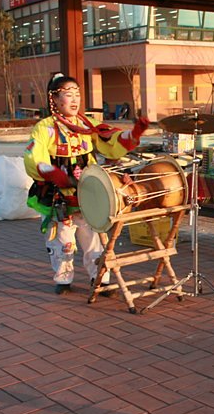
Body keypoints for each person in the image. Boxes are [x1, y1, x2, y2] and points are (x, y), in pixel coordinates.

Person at [24, 73, 149, 294]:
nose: (74, 99)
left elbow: (109, 140)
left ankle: (100, 278)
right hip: (58, 195)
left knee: (94, 238)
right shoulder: (45, 128)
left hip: (87, 190)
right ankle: (63, 279)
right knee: (62, 240)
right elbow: (35, 156)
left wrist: (133, 134)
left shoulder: (87, 124)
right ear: (54, 99)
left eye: (77, 94)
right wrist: (52, 173)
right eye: (68, 94)